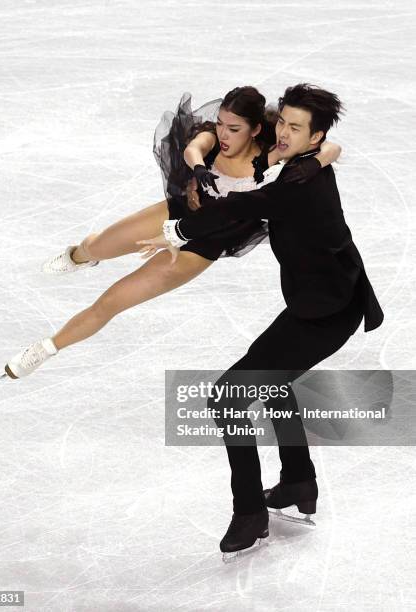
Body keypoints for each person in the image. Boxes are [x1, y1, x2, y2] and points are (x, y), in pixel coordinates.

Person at [138, 83, 384, 560]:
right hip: (319, 301)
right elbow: (323, 146)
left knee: (228, 396)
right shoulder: (297, 156)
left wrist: (177, 230)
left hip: (328, 312)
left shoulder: (296, 183)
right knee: (270, 383)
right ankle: (298, 481)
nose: (284, 133)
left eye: (296, 128)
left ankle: (249, 512)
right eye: (282, 123)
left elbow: (244, 207)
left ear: (313, 138)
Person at [2, 87, 341, 379]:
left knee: (111, 301)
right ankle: (80, 256)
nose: (224, 134)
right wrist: (197, 168)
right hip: (178, 214)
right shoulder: (212, 140)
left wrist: (313, 164)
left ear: (254, 130)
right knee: (98, 245)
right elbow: (194, 148)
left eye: (234, 129)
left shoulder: (274, 155)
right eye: (221, 124)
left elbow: (330, 148)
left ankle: (45, 349)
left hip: (204, 244)